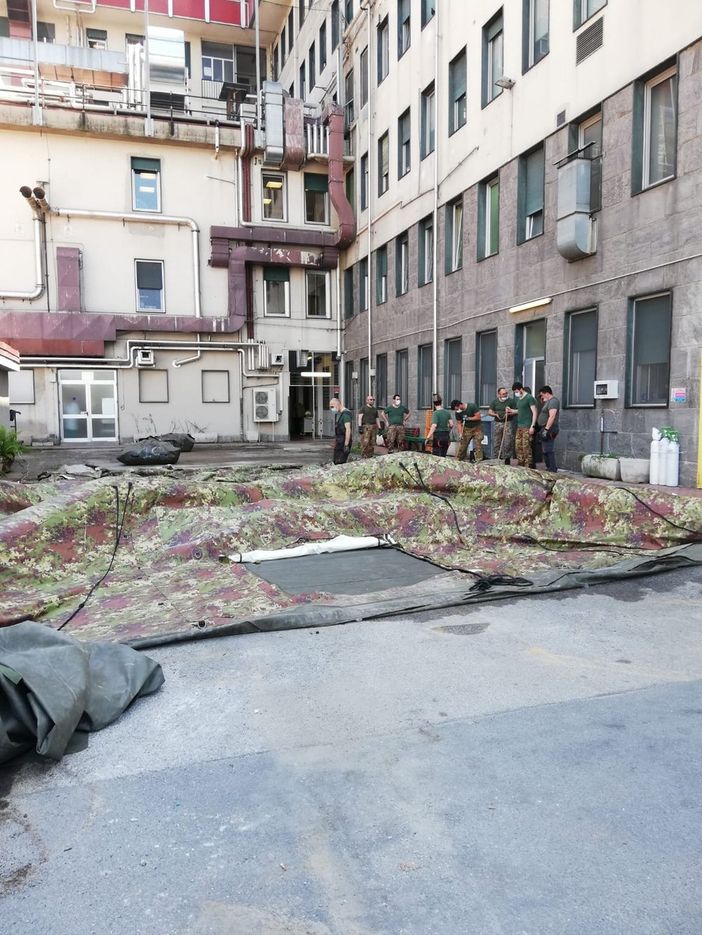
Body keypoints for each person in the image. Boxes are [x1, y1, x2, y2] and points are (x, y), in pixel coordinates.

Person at [508, 381, 538, 468]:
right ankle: (521, 465)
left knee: (526, 448)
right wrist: (511, 410)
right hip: (520, 426)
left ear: (521, 389)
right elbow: (520, 410)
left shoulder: (529, 398)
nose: (516, 393)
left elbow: (534, 412)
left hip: (527, 426)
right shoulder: (519, 399)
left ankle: (528, 466)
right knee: (518, 447)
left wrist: (532, 426)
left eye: (516, 391)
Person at [488, 387, 516, 464]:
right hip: (497, 423)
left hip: (508, 422)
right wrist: (495, 414)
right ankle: (497, 457)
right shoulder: (495, 401)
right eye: (503, 394)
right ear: (499, 394)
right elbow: (489, 412)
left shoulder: (511, 401)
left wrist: (509, 413)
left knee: (507, 441)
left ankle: (507, 458)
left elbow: (516, 411)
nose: (505, 395)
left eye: (506, 393)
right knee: (497, 440)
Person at [536, 385, 560, 471]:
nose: (541, 397)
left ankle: (552, 468)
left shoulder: (553, 401)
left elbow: (552, 416)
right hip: (545, 427)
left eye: (542, 395)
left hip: (550, 428)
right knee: (545, 449)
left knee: (548, 449)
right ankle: (549, 467)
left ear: (547, 393)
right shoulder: (548, 402)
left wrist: (546, 429)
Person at [329, 396, 352, 464]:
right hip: (339, 440)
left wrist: (346, 444)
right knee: (336, 460)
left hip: (343, 441)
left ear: (337, 404)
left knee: (340, 461)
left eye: (332, 406)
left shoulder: (346, 414)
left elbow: (348, 429)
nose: (332, 409)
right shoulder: (339, 414)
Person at [357, 394, 381, 458]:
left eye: (373, 400)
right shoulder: (363, 408)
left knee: (372, 442)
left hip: (373, 427)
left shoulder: (375, 409)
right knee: (365, 442)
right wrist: (360, 427)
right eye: (370, 399)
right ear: (367, 401)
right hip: (366, 427)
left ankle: (370, 455)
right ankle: (364, 456)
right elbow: (360, 417)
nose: (372, 401)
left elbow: (377, 419)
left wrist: (379, 427)